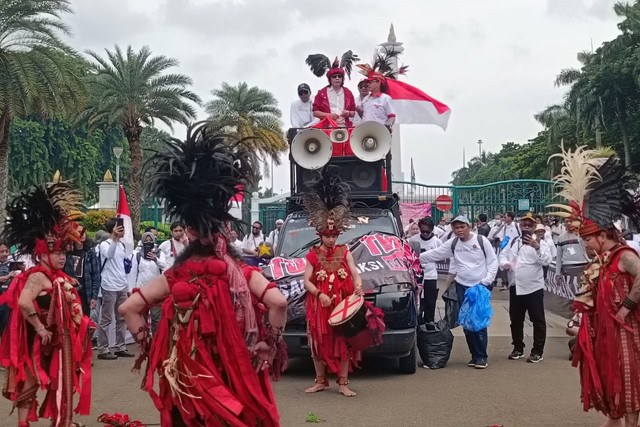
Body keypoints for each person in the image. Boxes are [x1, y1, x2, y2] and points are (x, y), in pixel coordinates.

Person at [118, 122, 287, 426]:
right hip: (236, 372)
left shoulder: (175, 276)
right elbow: (278, 303)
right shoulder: (243, 273)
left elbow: (129, 308)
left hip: (187, 376)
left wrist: (152, 345)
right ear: (223, 232)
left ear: (190, 235)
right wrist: (270, 345)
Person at [548, 146, 640, 426]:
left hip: (627, 331)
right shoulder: (601, 259)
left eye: (588, 239)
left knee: (629, 383)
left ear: (602, 234)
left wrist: (626, 308)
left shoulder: (624, 255)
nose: (585, 244)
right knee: (613, 385)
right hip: (606, 332)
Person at [0, 182, 94, 427]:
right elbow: (23, 302)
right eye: (57, 253)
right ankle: (23, 424)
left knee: (63, 379)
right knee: (30, 383)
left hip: (59, 340)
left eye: (65, 252)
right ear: (43, 254)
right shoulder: (37, 276)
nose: (62, 257)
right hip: (35, 339)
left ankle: (62, 420)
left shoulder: (62, 277)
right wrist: (40, 329)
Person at [301, 173, 366, 397]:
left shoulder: (345, 250)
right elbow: (306, 281)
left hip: (342, 303)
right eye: (327, 235)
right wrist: (319, 294)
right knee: (318, 343)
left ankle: (343, 383)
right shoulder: (313, 254)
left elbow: (355, 272)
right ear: (320, 234)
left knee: (343, 343)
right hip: (320, 304)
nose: (331, 239)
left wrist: (358, 286)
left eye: (334, 235)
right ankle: (320, 381)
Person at [421, 215, 498, 369]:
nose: (459, 230)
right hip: (461, 286)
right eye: (456, 228)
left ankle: (481, 356)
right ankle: (474, 355)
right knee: (466, 322)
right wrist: (413, 257)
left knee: (478, 322)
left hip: (478, 288)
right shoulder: (454, 243)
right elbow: (435, 254)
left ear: (469, 227)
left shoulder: (481, 241)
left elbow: (492, 261)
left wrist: (486, 281)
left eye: (462, 227)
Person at [498, 212, 552, 363]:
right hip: (516, 286)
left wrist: (537, 247)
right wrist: (505, 264)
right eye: (524, 224)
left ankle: (537, 351)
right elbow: (502, 255)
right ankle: (518, 348)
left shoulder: (541, 243)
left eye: (530, 225)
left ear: (535, 226)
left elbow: (546, 261)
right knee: (516, 320)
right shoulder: (513, 241)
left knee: (537, 320)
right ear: (520, 226)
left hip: (533, 287)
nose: (526, 227)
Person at [96, 218, 135, 360]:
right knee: (106, 319)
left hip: (122, 285)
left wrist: (128, 286)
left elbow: (125, 267)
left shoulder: (122, 246)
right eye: (120, 228)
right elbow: (109, 255)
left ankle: (120, 347)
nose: (123, 231)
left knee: (121, 318)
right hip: (109, 286)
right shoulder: (104, 245)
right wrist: (114, 238)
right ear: (113, 229)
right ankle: (103, 349)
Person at [130, 231, 167, 335]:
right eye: (146, 240)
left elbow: (164, 266)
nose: (148, 242)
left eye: (150, 240)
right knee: (142, 318)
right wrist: (132, 290)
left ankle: (156, 341)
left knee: (156, 318)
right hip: (141, 290)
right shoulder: (137, 254)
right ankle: (145, 342)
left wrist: (155, 259)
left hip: (156, 291)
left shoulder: (160, 253)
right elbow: (133, 273)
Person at [307, 53, 358, 127]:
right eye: (334, 77)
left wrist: (349, 113)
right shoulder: (322, 93)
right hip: (327, 127)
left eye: (339, 76)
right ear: (330, 79)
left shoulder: (348, 93)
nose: (337, 78)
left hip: (344, 127)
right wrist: (329, 115)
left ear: (342, 79)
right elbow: (315, 112)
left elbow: (353, 112)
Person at [409, 217, 442, 324]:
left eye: (428, 231)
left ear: (432, 229)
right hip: (417, 276)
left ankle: (429, 323)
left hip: (431, 275)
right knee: (417, 301)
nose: (425, 234)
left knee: (430, 302)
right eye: (423, 231)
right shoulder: (414, 240)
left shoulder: (437, 242)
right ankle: (418, 322)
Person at [63, 229, 101, 319]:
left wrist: (94, 296)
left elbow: (96, 275)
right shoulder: (68, 253)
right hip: (71, 290)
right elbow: (61, 271)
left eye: (84, 232)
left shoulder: (90, 253)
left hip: (85, 291)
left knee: (84, 318)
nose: (82, 234)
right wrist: (68, 278)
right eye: (79, 232)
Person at [555, 220, 589, 286]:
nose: (569, 223)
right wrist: (558, 273)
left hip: (582, 266)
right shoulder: (561, 238)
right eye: (566, 221)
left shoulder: (582, 235)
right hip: (567, 268)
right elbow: (559, 257)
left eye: (571, 221)